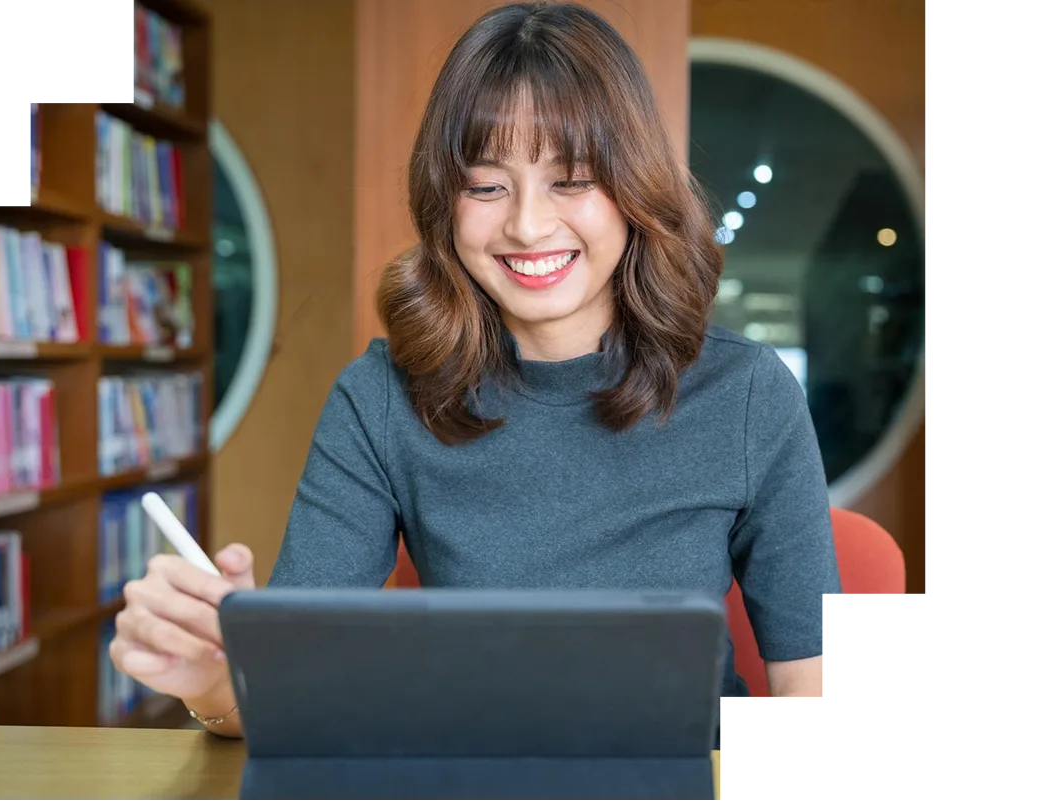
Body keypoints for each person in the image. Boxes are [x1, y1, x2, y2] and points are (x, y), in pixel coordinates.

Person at [109, 0, 840, 741]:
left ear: (635, 188)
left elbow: (808, 681)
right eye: (487, 186)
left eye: (573, 179)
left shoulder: (747, 394)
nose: (526, 225)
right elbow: (288, 692)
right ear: (444, 202)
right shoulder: (383, 395)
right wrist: (213, 676)